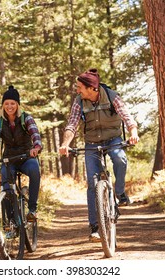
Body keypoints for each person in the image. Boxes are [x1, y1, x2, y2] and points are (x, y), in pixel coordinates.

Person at [59, 68, 139, 242]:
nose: (77, 90)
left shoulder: (111, 96)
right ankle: (95, 227)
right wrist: (65, 144)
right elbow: (72, 124)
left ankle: (119, 193)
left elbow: (127, 117)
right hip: (92, 143)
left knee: (119, 158)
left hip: (113, 139)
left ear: (92, 88)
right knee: (92, 184)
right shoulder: (79, 101)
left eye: (80, 87)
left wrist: (133, 132)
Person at [0, 85, 42, 222]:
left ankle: (32, 210)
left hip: (26, 157)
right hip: (9, 160)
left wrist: (36, 147)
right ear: (3, 106)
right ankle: (10, 222)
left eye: (12, 103)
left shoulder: (26, 119)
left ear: (17, 104)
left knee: (35, 171)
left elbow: (35, 135)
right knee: (6, 186)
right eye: (6, 104)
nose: (9, 106)